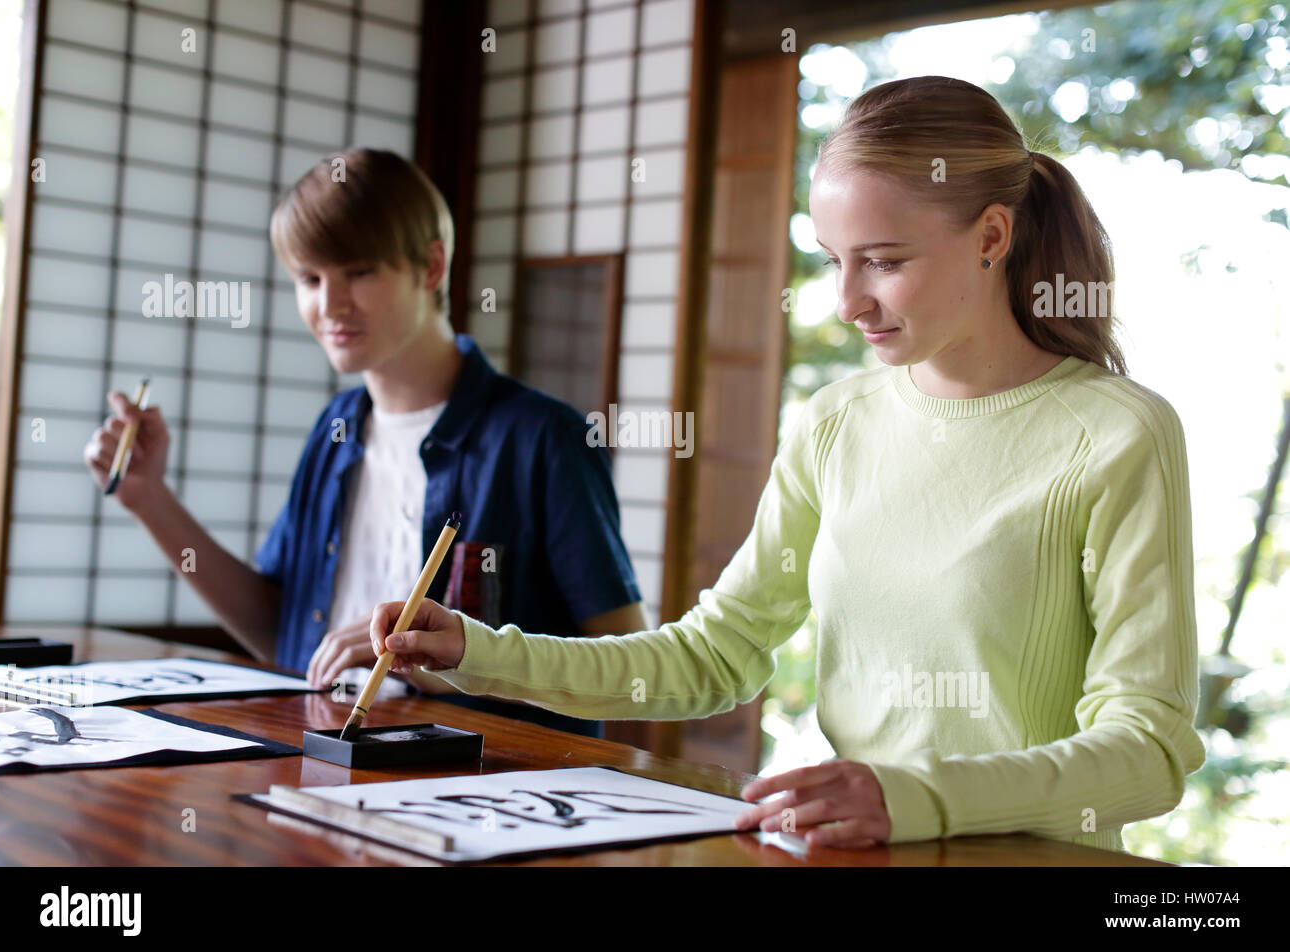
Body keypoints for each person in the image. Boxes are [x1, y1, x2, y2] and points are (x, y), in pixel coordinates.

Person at [364, 76, 1206, 849]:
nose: (847, 302)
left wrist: (913, 799)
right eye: (835, 261)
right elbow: (713, 656)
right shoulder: (836, 423)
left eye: (885, 260)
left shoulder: (1119, 434)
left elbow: (1149, 748)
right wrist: (477, 651)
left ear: (991, 235)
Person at [83, 148, 646, 739]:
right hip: (313, 756)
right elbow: (283, 630)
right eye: (309, 279)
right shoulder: (337, 428)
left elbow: (630, 664)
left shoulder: (542, 438)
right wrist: (148, 498)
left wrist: (456, 662)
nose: (329, 305)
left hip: (478, 793)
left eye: (358, 271)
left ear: (430, 268)